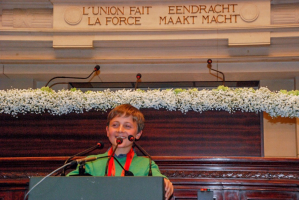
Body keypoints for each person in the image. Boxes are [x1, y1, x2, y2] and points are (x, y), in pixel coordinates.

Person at [68, 104, 174, 199]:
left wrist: (164, 183)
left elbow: (160, 181)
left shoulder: (147, 164)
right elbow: (65, 185)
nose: (120, 130)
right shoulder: (90, 162)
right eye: (115, 125)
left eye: (127, 126)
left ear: (138, 134)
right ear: (107, 131)